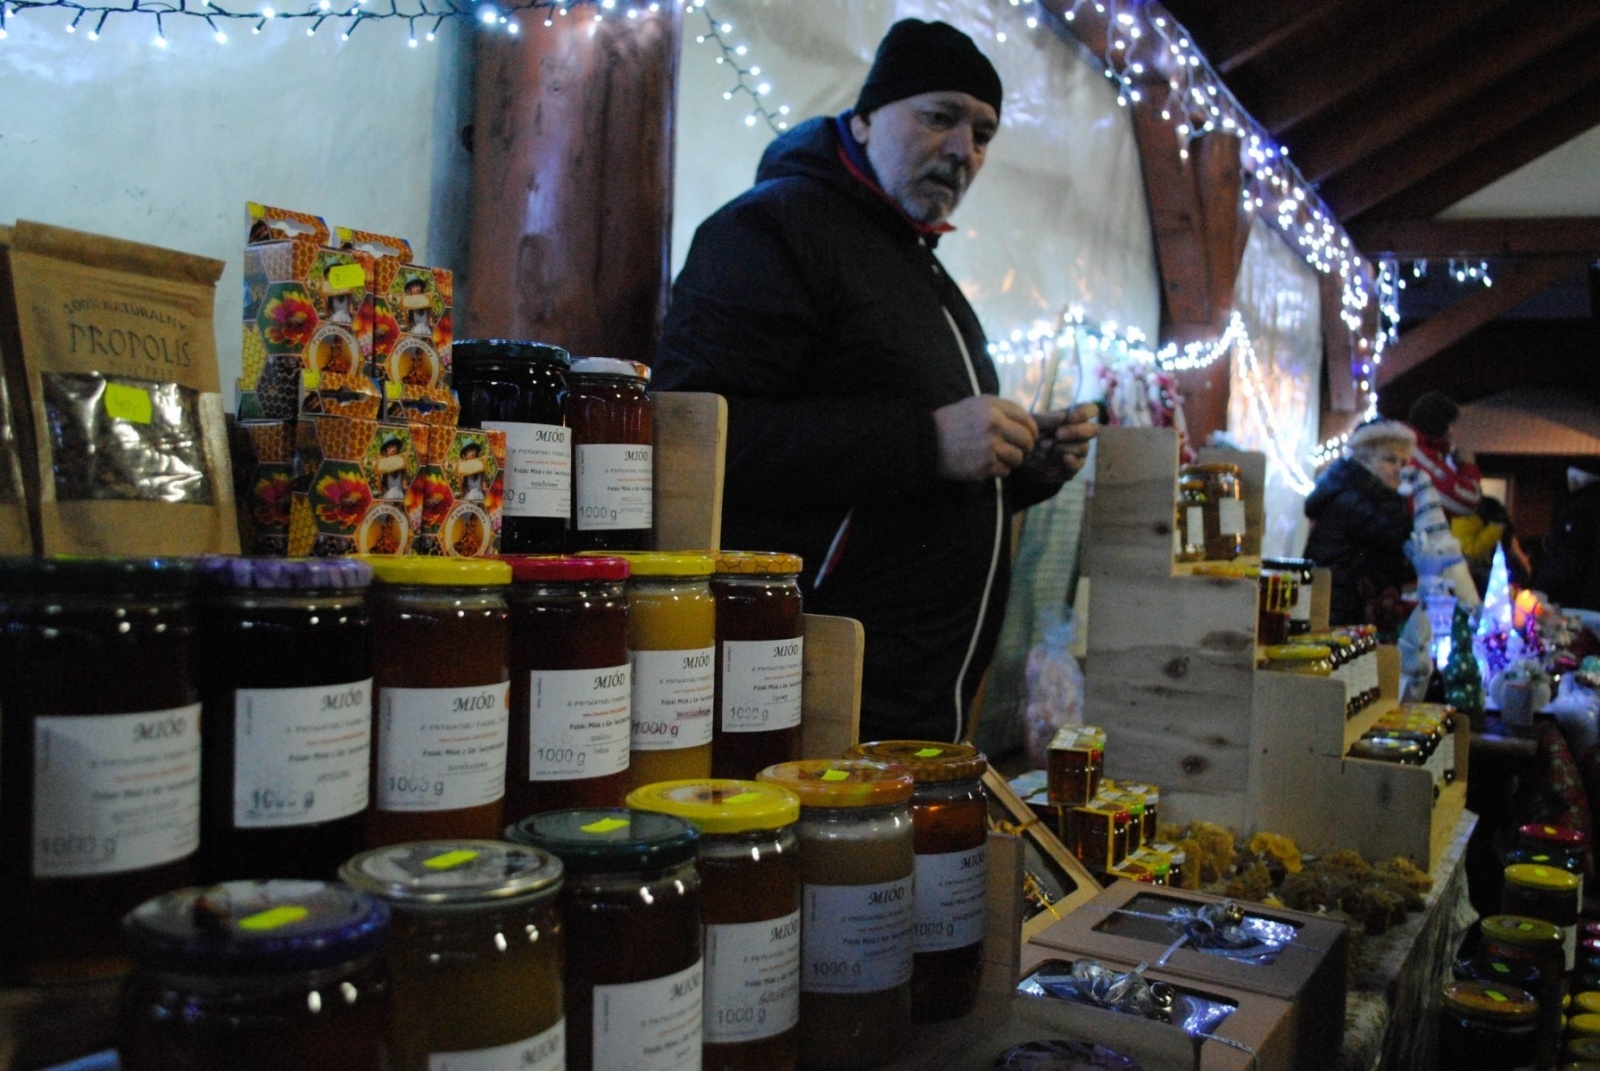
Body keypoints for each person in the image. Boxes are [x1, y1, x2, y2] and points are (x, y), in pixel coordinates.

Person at [653, 19, 1098, 743]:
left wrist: (1018, 470)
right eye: (939, 116)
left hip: (916, 700)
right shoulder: (770, 231)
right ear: (862, 121)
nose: (963, 150)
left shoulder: (923, 272)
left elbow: (905, 484)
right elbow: (696, 442)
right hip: (809, 693)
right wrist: (930, 442)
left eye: (983, 132)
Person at [1302, 420, 1417, 629]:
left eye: (1403, 462)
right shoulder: (1353, 497)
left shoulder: (1355, 490)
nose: (1399, 470)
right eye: (1390, 460)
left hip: (1345, 606)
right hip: (1339, 612)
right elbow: (1396, 536)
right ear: (1363, 457)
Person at [1407, 391, 1481, 518]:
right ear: (1444, 426)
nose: (1455, 433)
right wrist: (1468, 467)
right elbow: (1467, 503)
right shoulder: (1421, 457)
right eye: (1453, 425)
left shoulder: (1415, 450)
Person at [1535, 467, 1600, 610]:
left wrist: (1542, 586)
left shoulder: (1579, 510)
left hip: (1572, 596)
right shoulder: (1584, 506)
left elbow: (1568, 557)